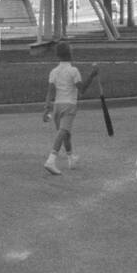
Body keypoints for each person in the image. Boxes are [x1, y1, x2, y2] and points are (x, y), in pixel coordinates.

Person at [42, 41, 99, 175]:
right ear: (69, 54)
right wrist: (92, 75)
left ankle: (71, 158)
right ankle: (51, 160)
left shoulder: (54, 72)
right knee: (63, 132)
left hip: (57, 107)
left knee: (66, 133)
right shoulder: (74, 71)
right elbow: (82, 90)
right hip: (69, 106)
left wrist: (46, 108)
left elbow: (50, 92)